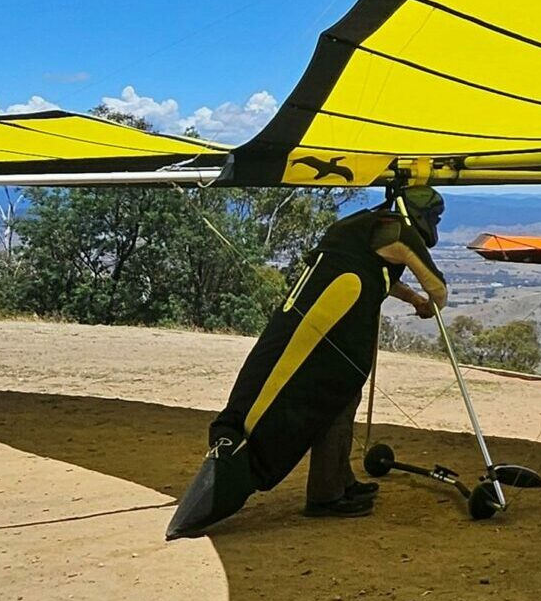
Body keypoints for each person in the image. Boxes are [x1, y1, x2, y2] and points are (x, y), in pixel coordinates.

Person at [165, 186, 449, 538]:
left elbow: (379, 274)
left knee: (341, 401)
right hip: (328, 336)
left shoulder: (364, 225)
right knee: (326, 402)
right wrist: (431, 302)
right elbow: (437, 286)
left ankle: (339, 480)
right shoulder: (396, 229)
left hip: (327, 331)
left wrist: (412, 299)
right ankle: (325, 496)